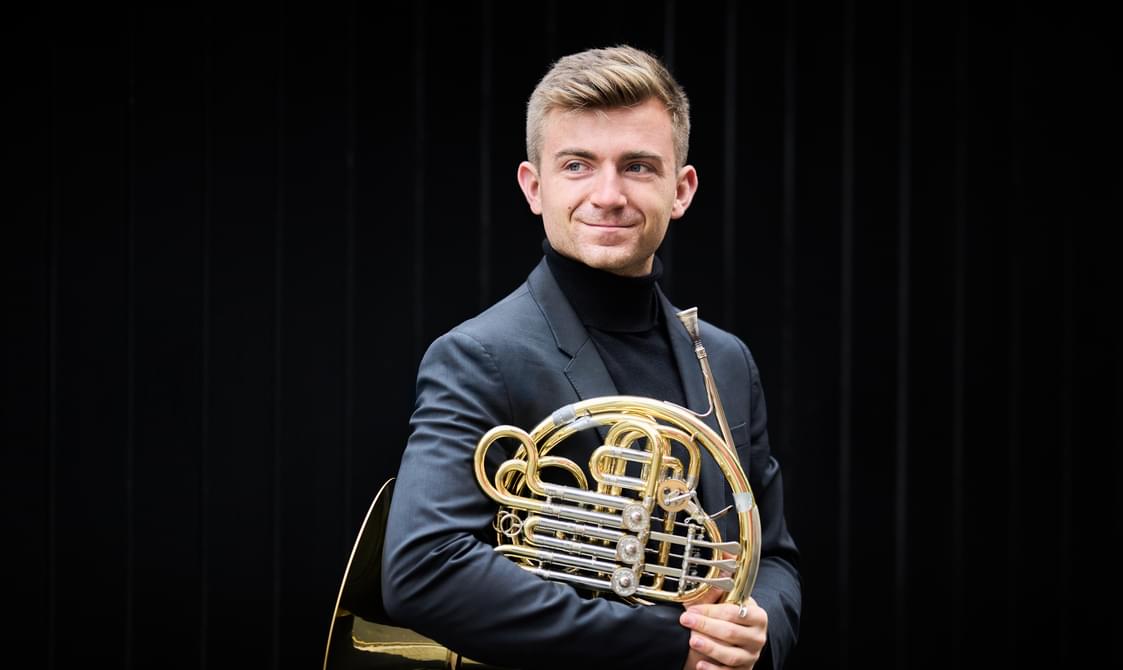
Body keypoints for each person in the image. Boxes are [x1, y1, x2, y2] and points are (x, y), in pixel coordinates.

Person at [381, 45, 801, 669]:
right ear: (534, 186)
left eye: (637, 166)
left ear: (681, 189)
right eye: (577, 165)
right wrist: (668, 648)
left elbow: (772, 554)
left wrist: (760, 628)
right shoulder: (478, 355)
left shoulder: (726, 359)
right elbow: (425, 567)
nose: (608, 195)